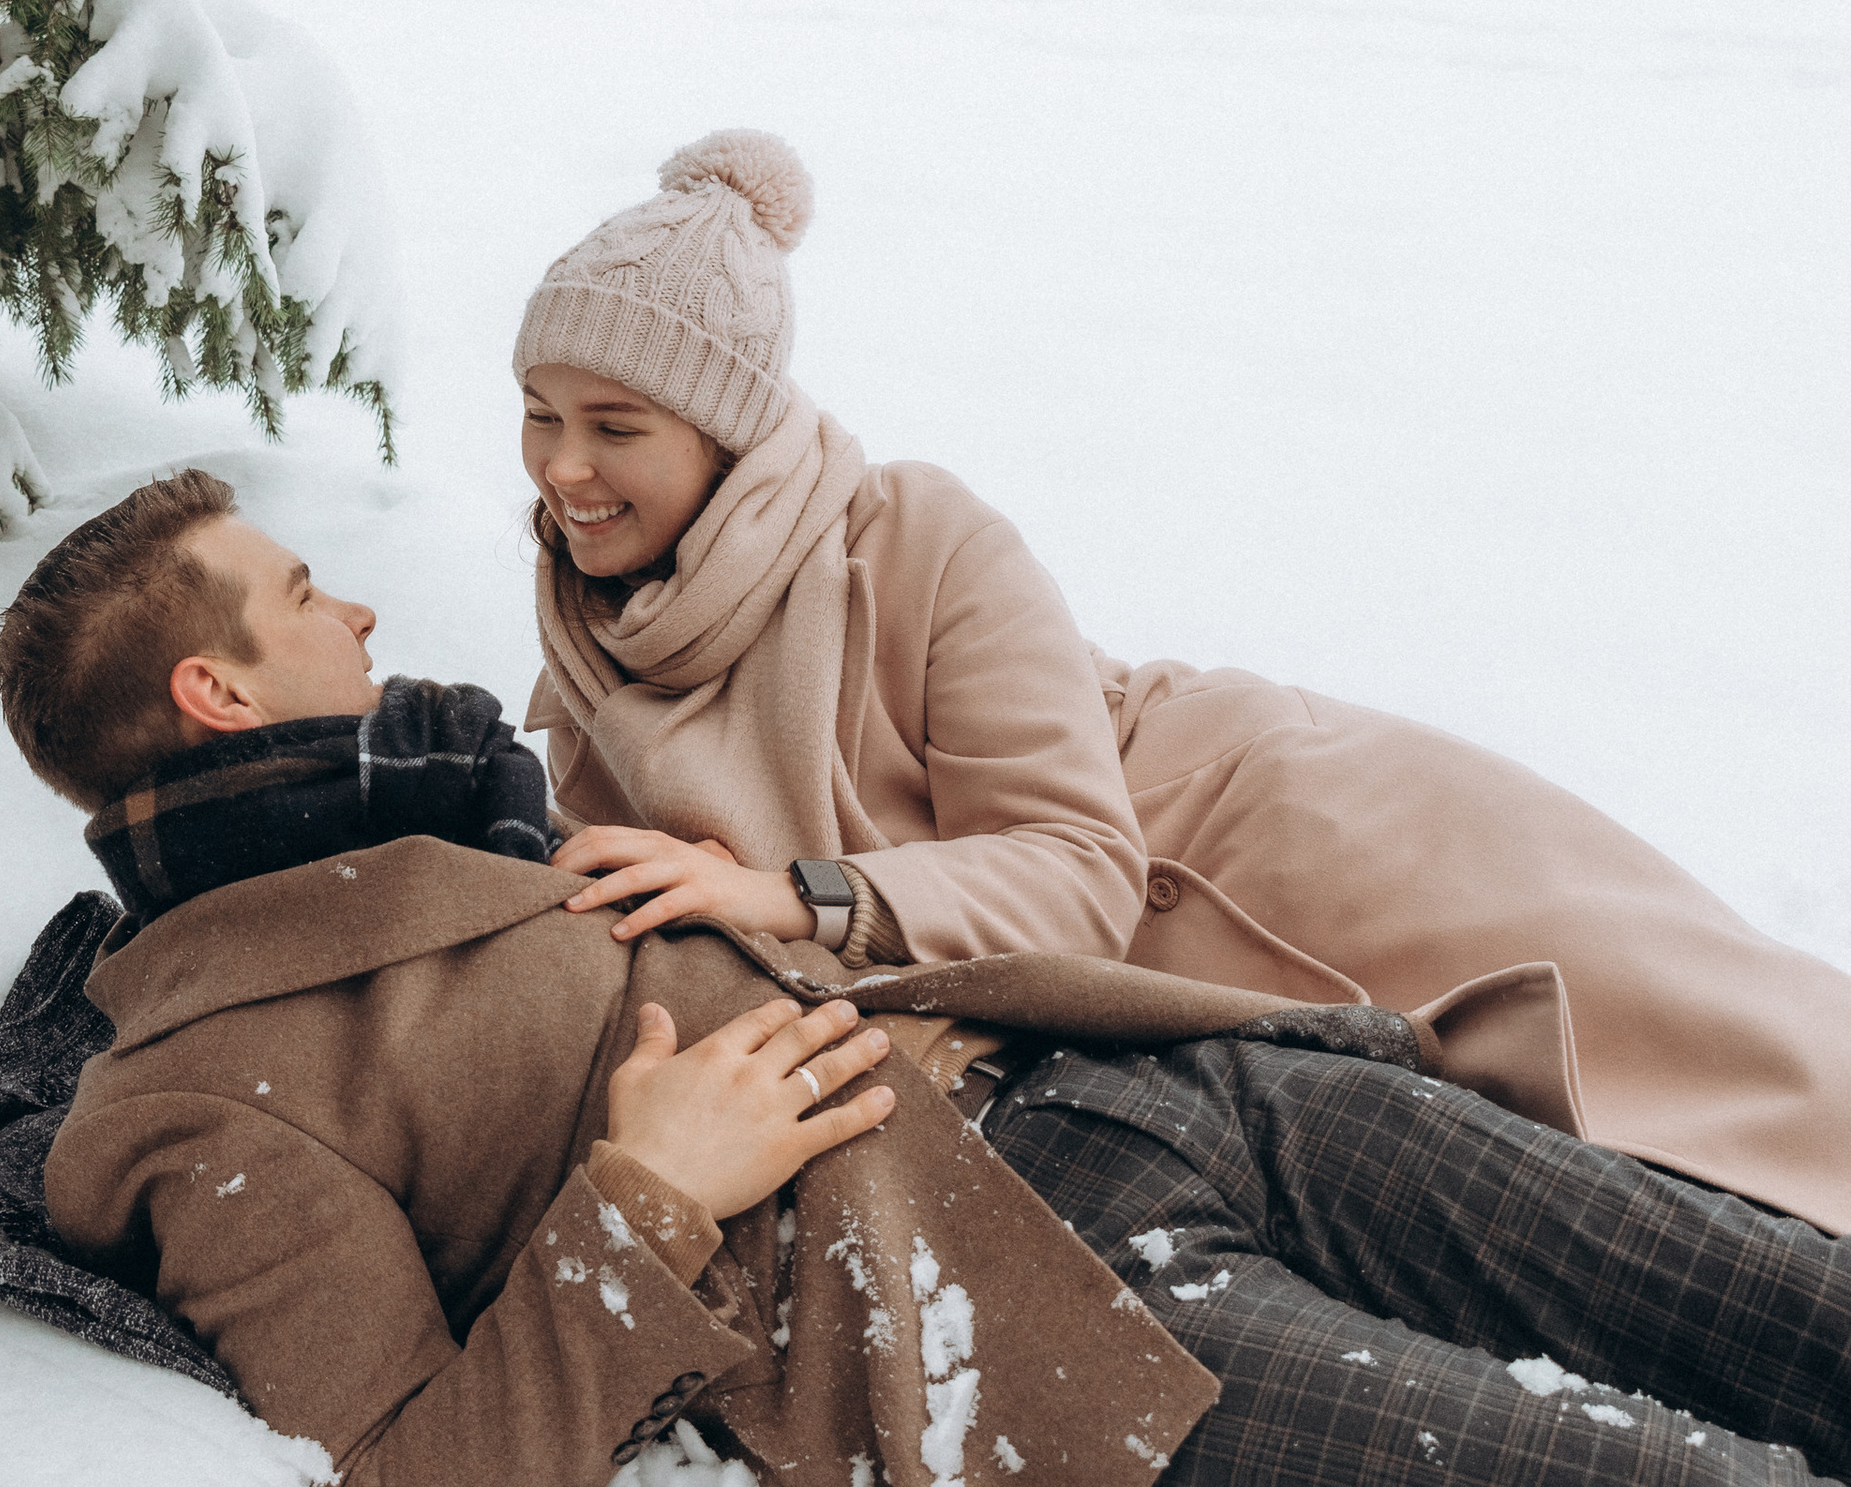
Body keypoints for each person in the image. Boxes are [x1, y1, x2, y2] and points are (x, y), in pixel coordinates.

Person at [11, 468, 1851, 1487]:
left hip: (1137, 1089)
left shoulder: (467, 805)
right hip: (1007, 1367)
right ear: (218, 693)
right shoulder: (201, 1088)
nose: (362, 609)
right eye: (306, 591)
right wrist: (642, 1202)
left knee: (1768, 1298)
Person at [518, 130, 1851, 1233]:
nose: (564, 468)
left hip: (1267, 840)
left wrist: (798, 897)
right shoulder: (596, 643)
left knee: (1721, 1043)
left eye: (616, 428)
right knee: (1621, 1175)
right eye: (542, 414)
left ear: (730, 428)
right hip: (1154, 1004)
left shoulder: (915, 535)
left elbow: (1077, 864)